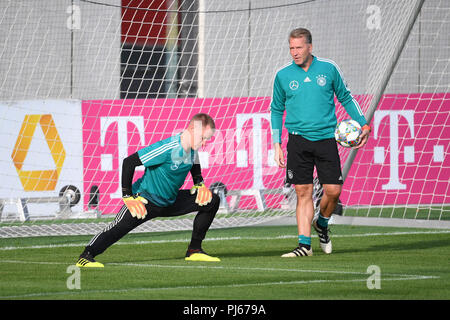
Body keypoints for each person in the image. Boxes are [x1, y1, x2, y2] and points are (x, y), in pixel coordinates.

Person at [270, 28, 371, 257]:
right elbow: (276, 109)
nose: (294, 52)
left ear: (310, 47)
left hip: (326, 139)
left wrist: (363, 124)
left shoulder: (329, 68)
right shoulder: (283, 75)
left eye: (299, 47)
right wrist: (277, 143)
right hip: (297, 140)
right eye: (291, 48)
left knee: (333, 191)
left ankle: (322, 224)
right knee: (303, 191)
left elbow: (345, 96)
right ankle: (304, 246)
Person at [76, 113, 221, 267]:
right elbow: (129, 162)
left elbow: (194, 162)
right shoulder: (167, 147)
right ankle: (86, 256)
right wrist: (128, 197)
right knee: (118, 228)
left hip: (169, 202)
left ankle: (194, 250)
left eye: (207, 139)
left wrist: (199, 182)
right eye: (203, 138)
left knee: (211, 200)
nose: (205, 143)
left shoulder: (192, 148)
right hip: (146, 200)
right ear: (192, 129)